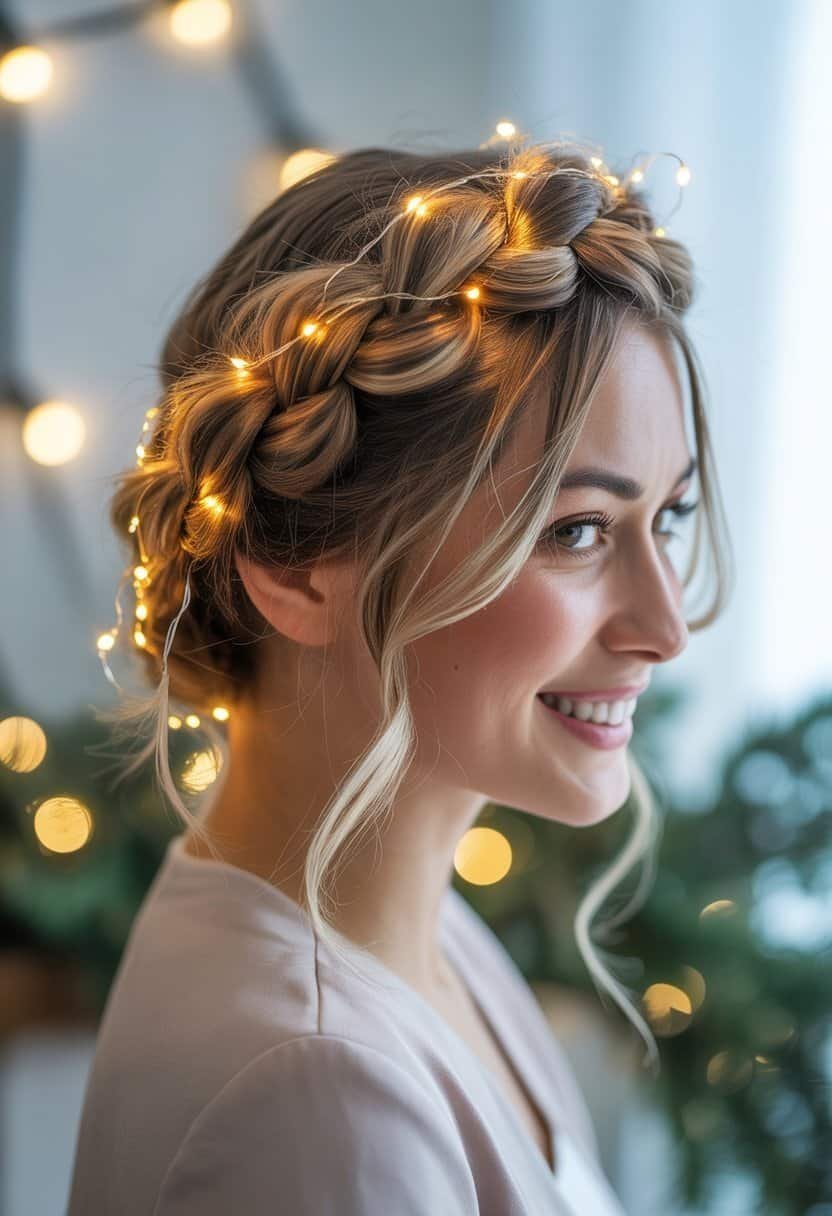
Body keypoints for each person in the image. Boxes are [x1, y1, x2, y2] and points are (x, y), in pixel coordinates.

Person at [67, 137, 732, 1214]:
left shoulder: (415, 939)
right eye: (573, 531)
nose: (664, 628)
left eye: (669, 517)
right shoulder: (319, 1096)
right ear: (297, 565)